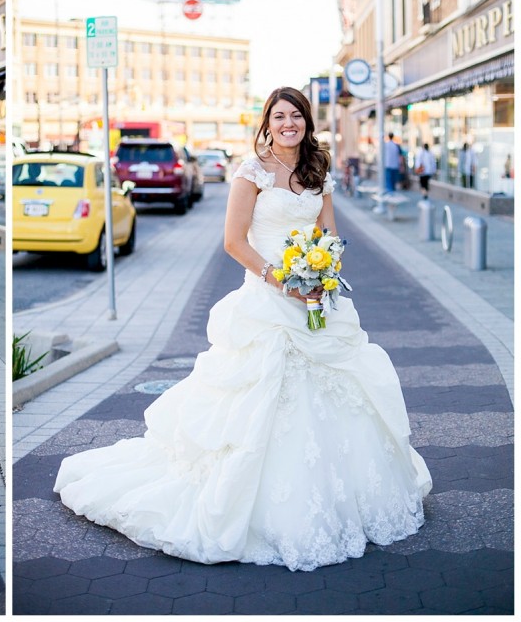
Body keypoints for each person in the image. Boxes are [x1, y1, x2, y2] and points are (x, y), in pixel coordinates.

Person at [55, 87, 431, 572]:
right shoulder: (251, 171)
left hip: (316, 295)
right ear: (267, 123)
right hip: (268, 300)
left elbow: (329, 232)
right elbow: (233, 241)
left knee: (338, 387)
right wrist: (284, 279)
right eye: (279, 116)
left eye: (296, 115)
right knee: (262, 396)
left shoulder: (318, 169)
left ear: (306, 121)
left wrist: (322, 271)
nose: (288, 123)